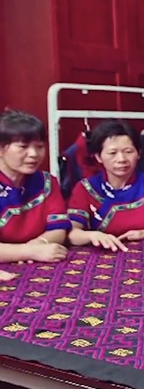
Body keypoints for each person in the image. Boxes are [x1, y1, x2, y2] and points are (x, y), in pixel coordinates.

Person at [67, 120, 144, 252]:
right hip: (101, 257)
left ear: (139, 153)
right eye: (112, 153)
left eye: (128, 151)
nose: (121, 159)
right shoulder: (85, 188)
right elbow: (72, 234)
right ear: (98, 157)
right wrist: (93, 236)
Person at [0, 110, 71, 279]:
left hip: (37, 265)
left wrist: (39, 244)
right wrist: (30, 251)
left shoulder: (47, 182)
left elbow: (58, 229)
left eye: (39, 146)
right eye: (23, 147)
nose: (33, 154)